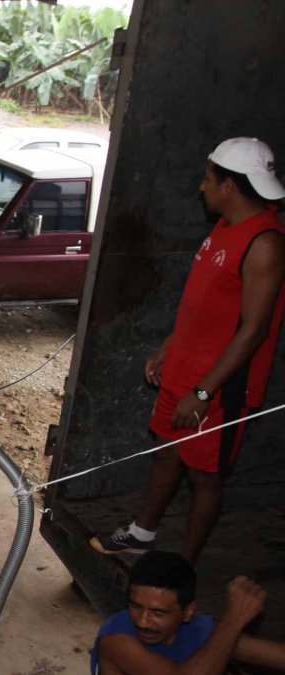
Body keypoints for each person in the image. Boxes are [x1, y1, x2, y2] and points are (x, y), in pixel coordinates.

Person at [90, 138, 285, 563]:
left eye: (208, 179)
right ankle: (143, 533)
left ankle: (183, 569)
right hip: (183, 369)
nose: (202, 187)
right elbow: (204, 304)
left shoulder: (264, 243)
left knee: (205, 477)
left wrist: (203, 393)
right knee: (165, 452)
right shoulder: (225, 226)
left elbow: (253, 331)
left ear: (230, 186)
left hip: (218, 387)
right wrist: (169, 346)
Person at [92, 550, 285, 674]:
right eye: (136, 606)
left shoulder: (202, 630)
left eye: (158, 613)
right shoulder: (117, 639)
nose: (143, 622)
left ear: (188, 612)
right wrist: (233, 621)